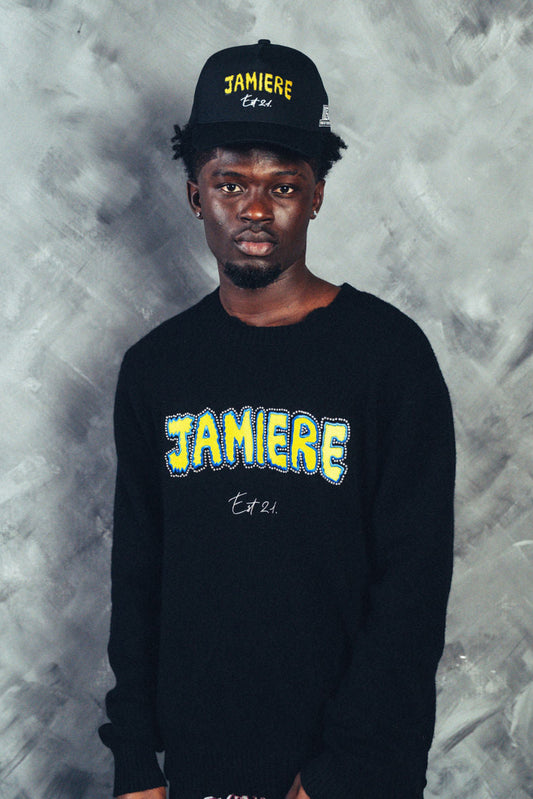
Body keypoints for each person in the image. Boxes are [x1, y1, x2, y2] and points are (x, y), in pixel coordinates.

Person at [99, 40, 455, 799]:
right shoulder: (157, 369)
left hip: (350, 772)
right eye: (230, 182)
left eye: (283, 185)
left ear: (316, 195)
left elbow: (413, 591)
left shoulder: (388, 356)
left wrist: (340, 773)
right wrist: (135, 760)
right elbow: (138, 578)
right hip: (197, 767)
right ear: (195, 194)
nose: (255, 209)